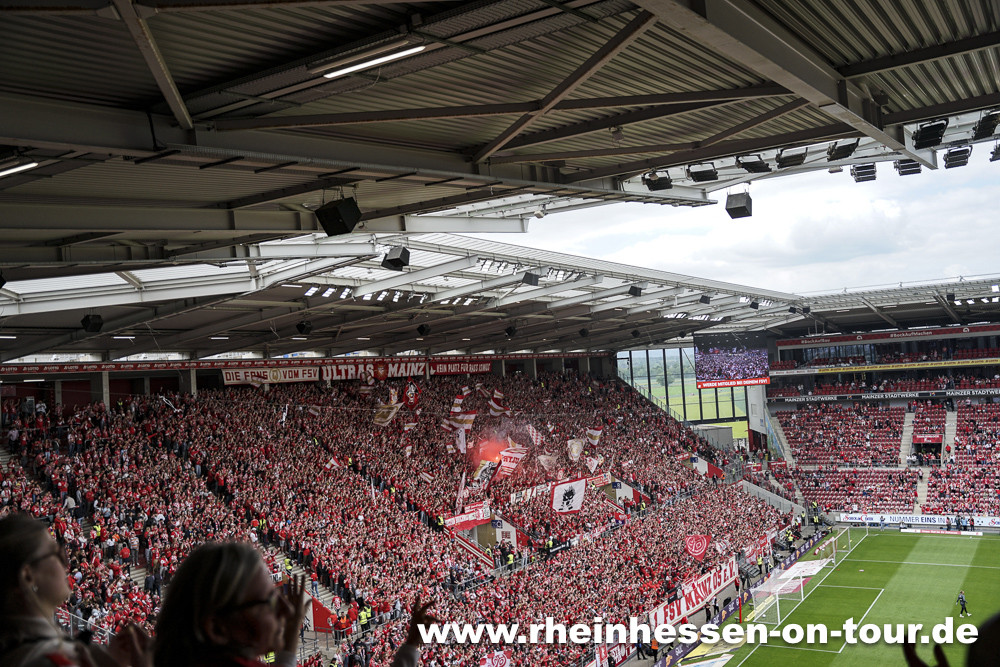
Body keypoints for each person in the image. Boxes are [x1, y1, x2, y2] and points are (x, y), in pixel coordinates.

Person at [0, 513, 147, 667]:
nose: (65, 562)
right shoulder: (44, 660)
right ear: (28, 576)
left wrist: (113, 659)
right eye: (55, 554)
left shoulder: (23, 644)